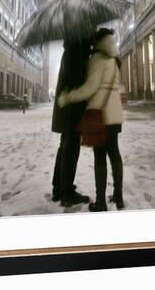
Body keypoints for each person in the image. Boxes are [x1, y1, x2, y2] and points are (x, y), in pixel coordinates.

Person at [58, 28, 124, 212]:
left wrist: (69, 97)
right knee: (115, 155)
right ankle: (119, 196)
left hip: (100, 115)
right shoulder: (114, 58)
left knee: (100, 157)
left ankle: (101, 202)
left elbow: (90, 88)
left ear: (99, 41)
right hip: (116, 114)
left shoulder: (97, 58)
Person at [51, 38, 92, 207]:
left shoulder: (71, 49)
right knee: (70, 149)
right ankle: (66, 193)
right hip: (72, 109)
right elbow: (76, 80)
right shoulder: (76, 51)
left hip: (67, 108)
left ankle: (58, 188)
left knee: (65, 147)